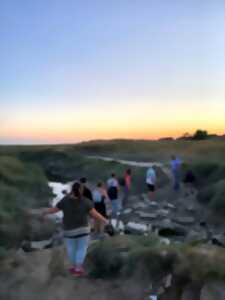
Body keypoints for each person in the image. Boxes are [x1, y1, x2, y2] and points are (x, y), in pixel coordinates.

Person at [42, 182, 108, 277]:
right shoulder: (86, 201)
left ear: (72, 189)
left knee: (71, 249)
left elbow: (54, 210)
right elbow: (95, 214)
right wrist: (104, 220)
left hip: (69, 230)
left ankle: (75, 267)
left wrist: (45, 212)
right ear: (81, 190)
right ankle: (78, 268)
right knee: (81, 248)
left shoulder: (65, 200)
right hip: (83, 230)